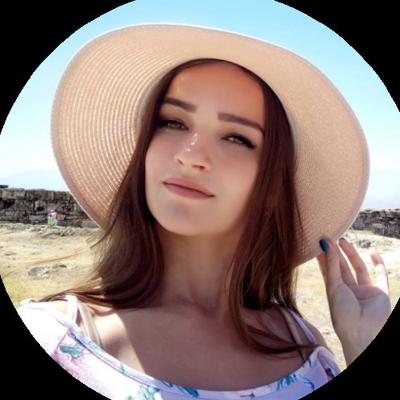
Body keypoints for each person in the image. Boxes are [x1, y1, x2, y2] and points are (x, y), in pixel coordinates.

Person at [16, 24, 391, 399]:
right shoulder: (56, 340)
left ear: (273, 188)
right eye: (172, 122)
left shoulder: (305, 347)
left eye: (236, 138)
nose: (190, 155)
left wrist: (362, 342)